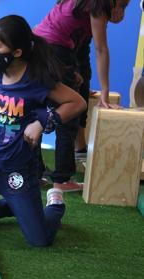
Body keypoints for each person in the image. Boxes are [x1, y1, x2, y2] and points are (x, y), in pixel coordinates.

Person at [0, 15, 87, 247]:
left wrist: (42, 122)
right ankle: (12, 207)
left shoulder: (37, 80)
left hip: (19, 173)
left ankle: (54, 205)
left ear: (17, 52)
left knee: (39, 240)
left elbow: (78, 103)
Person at [34, 0, 129, 192]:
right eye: (120, 4)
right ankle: (61, 179)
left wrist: (76, 76)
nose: (121, 10)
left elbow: (82, 49)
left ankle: (35, 173)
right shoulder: (99, 6)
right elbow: (101, 50)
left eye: (125, 6)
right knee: (69, 116)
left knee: (39, 110)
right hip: (52, 49)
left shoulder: (88, 6)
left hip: (43, 46)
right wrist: (105, 91)